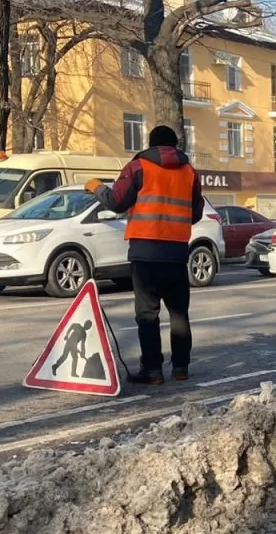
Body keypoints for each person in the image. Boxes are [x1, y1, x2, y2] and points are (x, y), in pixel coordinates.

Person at [86, 125, 203, 384]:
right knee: (179, 313)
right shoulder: (189, 172)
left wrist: (95, 187)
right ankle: (181, 368)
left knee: (147, 315)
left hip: (145, 253)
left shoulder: (137, 167)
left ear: (151, 144)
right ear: (175, 145)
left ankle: (152, 370)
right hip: (176, 253)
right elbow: (196, 213)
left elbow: (117, 201)